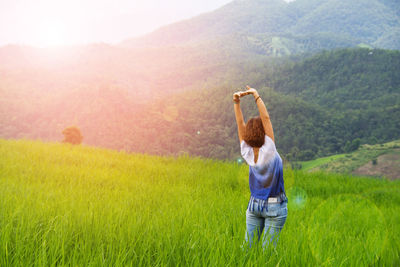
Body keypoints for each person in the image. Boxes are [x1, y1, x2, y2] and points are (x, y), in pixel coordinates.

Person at [233, 86, 288, 248]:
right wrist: (256, 95)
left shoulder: (247, 151)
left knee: (247, 250)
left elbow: (239, 123)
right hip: (274, 206)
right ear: (264, 132)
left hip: (253, 205)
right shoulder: (269, 149)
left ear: (247, 135)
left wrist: (236, 102)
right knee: (268, 254)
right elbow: (266, 118)